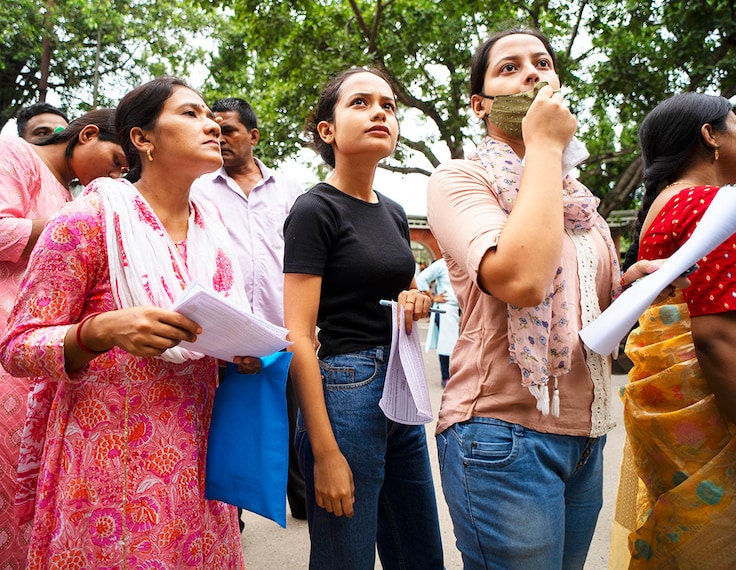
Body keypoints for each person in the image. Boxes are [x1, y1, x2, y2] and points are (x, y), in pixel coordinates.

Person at [425, 28, 680, 569]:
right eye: (510, 68)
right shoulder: (461, 180)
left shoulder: (581, 205)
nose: (533, 73)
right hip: (502, 436)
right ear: (480, 104)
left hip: (584, 439)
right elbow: (521, 281)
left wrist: (635, 290)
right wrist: (543, 145)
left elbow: (598, 325)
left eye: (542, 63)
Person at [0, 76, 258, 568]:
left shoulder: (214, 235)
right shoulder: (89, 220)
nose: (211, 126)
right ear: (142, 139)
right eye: (190, 113)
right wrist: (98, 332)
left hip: (200, 466)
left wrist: (244, 351)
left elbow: (223, 332)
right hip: (105, 471)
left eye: (210, 116)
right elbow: (17, 345)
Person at [283, 67, 445, 569]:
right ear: (327, 131)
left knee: (418, 554)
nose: (380, 111)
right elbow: (298, 337)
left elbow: (402, 291)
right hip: (346, 392)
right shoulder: (314, 210)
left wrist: (413, 300)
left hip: (401, 383)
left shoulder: (394, 211)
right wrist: (326, 454)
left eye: (389, 105)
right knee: (345, 559)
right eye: (360, 102)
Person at [612, 92, 736, 567]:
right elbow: (717, 338)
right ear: (710, 135)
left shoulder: (665, 203)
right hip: (728, 416)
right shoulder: (711, 205)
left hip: (688, 415)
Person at [0, 108, 125, 568]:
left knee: (26, 487)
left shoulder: (69, 192)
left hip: (42, 360)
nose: (117, 173)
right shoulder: (15, 154)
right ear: (87, 134)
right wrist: (72, 233)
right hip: (10, 350)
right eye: (116, 160)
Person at [191, 97, 307, 523]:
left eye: (229, 131)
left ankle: (302, 501)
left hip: (284, 329)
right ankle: (228, 517)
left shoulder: (290, 189)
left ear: (254, 137)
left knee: (293, 420)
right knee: (228, 424)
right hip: (224, 333)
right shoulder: (198, 189)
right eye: (213, 131)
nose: (219, 138)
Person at [415, 257, 460, 387]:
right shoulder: (441, 264)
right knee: (446, 344)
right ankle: (445, 377)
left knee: (460, 345)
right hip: (446, 309)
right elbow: (420, 279)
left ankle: (457, 375)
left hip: (461, 309)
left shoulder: (461, 261)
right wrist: (433, 297)